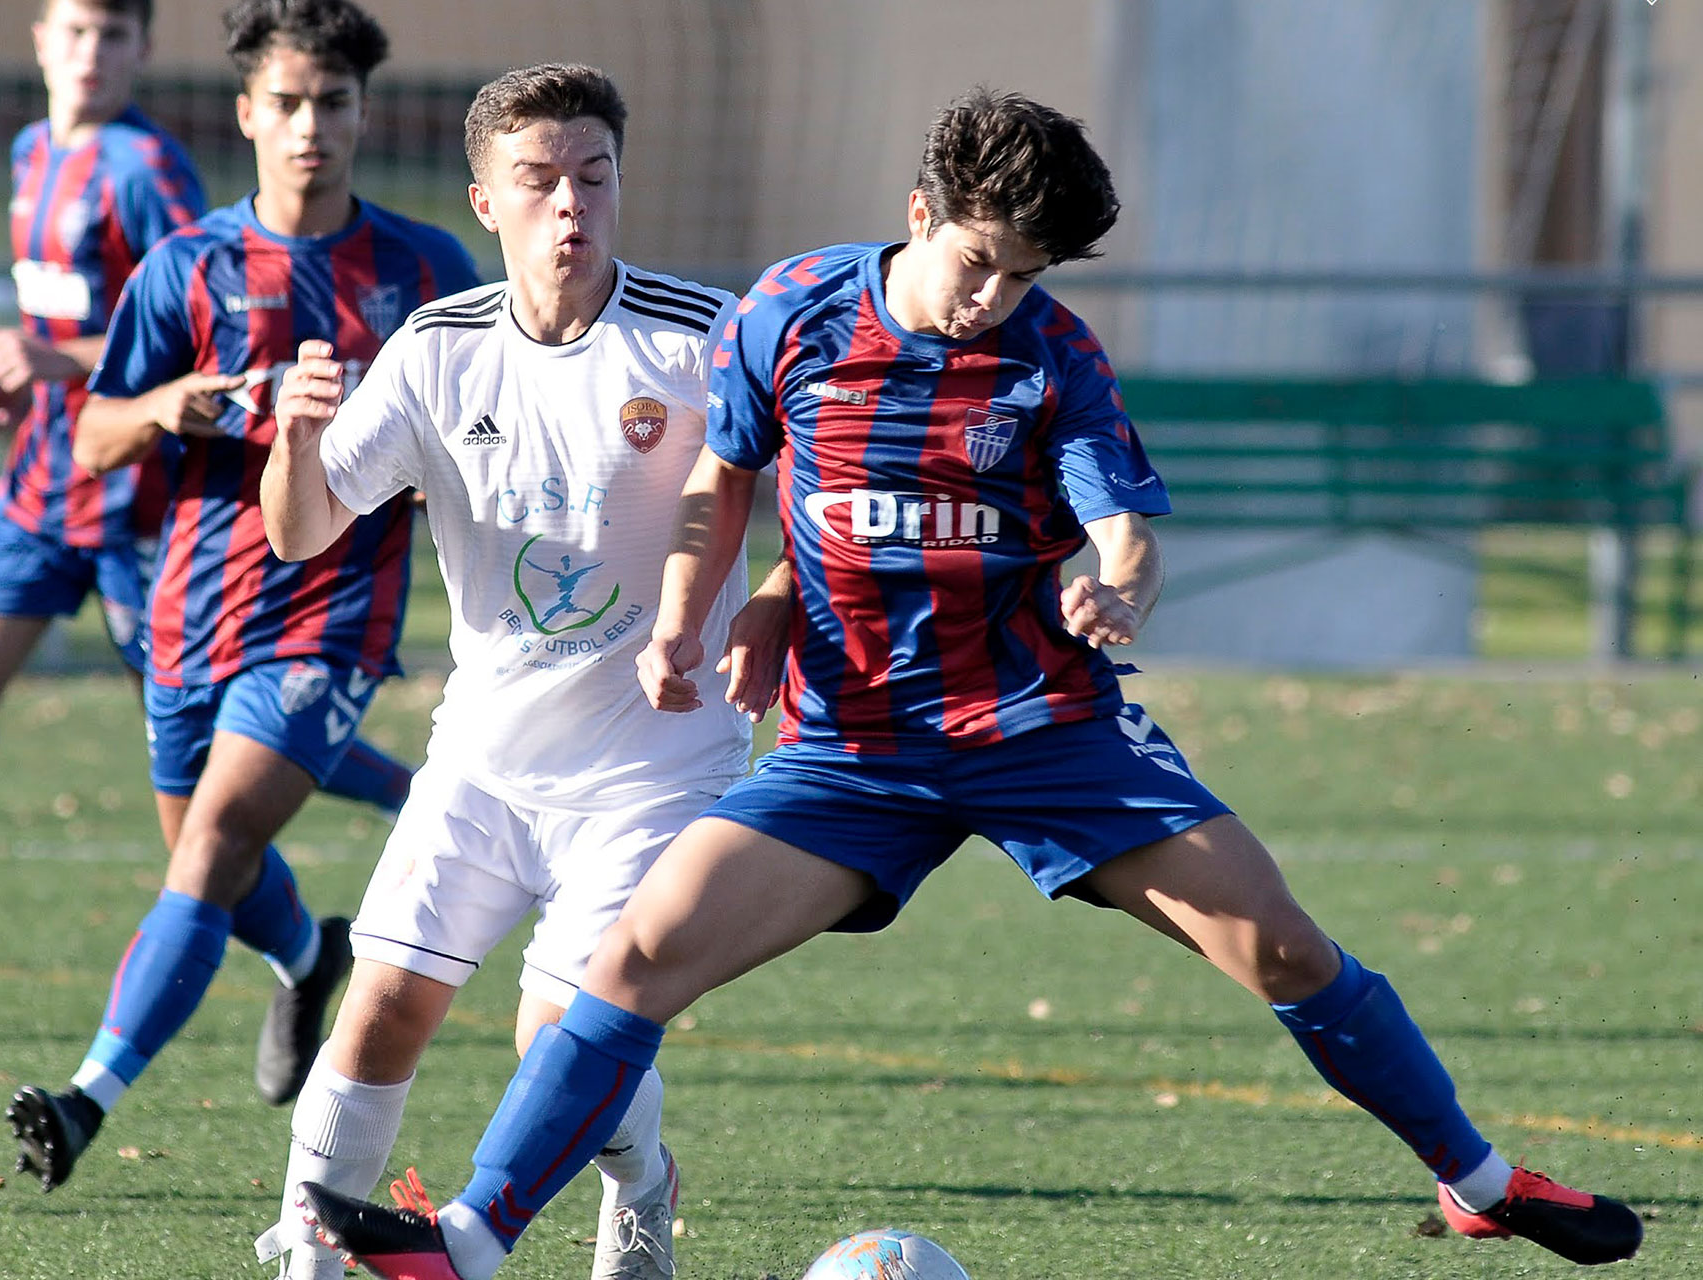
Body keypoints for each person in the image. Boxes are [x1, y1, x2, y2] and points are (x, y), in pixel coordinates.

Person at [297, 90, 1646, 1276]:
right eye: (977, 263)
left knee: (1285, 949)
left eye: (1023, 276)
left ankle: (1476, 1184)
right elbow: (727, 478)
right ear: (919, 210)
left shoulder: (1052, 355)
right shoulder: (793, 311)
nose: (989, 299)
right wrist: (694, 614)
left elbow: (1121, 520)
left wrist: (1117, 580)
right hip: (855, 754)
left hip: (1042, 731)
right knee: (634, 959)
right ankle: (470, 1239)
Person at [253, 63, 791, 1280]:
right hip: (487, 757)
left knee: (558, 1031)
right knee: (381, 1003)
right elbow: (301, 527)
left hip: (658, 763)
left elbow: (817, 495)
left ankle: (642, 1181)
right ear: (485, 200)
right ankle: (313, 1249)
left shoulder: (703, 335)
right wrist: (292, 433)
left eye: (593, 178)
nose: (571, 206)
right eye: (539, 180)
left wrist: (765, 602)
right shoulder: (437, 351)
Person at [0, 0, 419, 1019]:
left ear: (142, 50)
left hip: (142, 503)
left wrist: (60, 362)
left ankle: (390, 833)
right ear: (39, 40)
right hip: (42, 482)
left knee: (210, 762)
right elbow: (80, 320)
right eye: (73, 31)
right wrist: (25, 369)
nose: (90, 54)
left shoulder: (145, 170)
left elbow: (194, 333)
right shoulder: (34, 149)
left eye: (112, 36)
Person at [3, 0, 480, 1192]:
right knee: (212, 861)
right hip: (189, 613)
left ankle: (86, 1097)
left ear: (364, 113)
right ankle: (308, 952)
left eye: (332, 102)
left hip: (331, 618)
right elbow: (100, 436)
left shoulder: (427, 271)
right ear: (246, 115)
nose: (309, 125)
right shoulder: (188, 267)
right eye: (286, 103)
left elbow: (491, 424)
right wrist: (172, 404)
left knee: (213, 838)